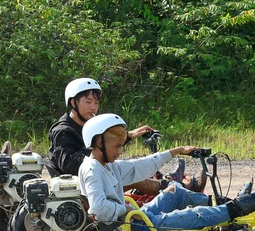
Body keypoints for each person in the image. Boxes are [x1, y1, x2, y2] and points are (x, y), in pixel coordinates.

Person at [78, 114, 255, 231]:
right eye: (117, 146)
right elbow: (97, 209)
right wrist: (124, 209)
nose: (120, 151)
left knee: (174, 190)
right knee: (194, 216)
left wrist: (176, 151)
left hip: (133, 219)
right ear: (98, 143)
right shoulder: (92, 170)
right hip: (127, 228)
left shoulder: (108, 165)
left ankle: (227, 204)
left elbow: (141, 165)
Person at [48, 78, 204, 192]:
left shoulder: (88, 125)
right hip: (81, 184)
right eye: (88, 102)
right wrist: (105, 152)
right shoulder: (63, 131)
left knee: (126, 168)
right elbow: (68, 164)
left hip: (95, 175)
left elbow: (100, 146)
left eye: (96, 103)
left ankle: (169, 180)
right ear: (73, 103)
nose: (93, 107)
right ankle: (183, 188)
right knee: (134, 177)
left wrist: (127, 137)